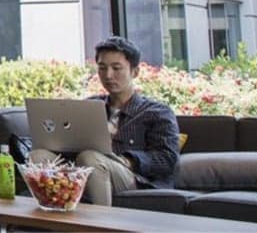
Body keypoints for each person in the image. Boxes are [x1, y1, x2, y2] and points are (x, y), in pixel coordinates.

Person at [29, 36, 180, 206]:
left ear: (135, 72)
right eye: (102, 68)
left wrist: (128, 160)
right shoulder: (89, 106)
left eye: (116, 68)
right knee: (38, 156)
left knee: (90, 158)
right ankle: (51, 224)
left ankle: (100, 226)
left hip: (134, 179)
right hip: (83, 171)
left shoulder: (157, 112)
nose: (108, 75)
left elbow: (167, 159)